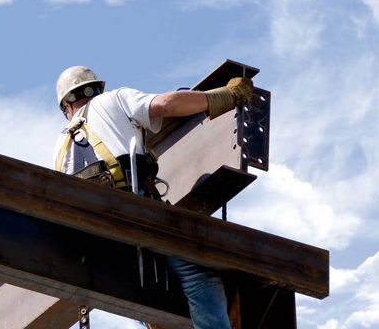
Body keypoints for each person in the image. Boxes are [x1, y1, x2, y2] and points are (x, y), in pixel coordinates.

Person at [52, 66, 253, 329]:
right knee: (197, 274)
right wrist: (225, 96)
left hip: (91, 244)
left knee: (140, 296)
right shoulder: (112, 100)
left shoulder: (60, 146)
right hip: (129, 211)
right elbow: (165, 104)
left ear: (67, 106)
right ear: (96, 89)